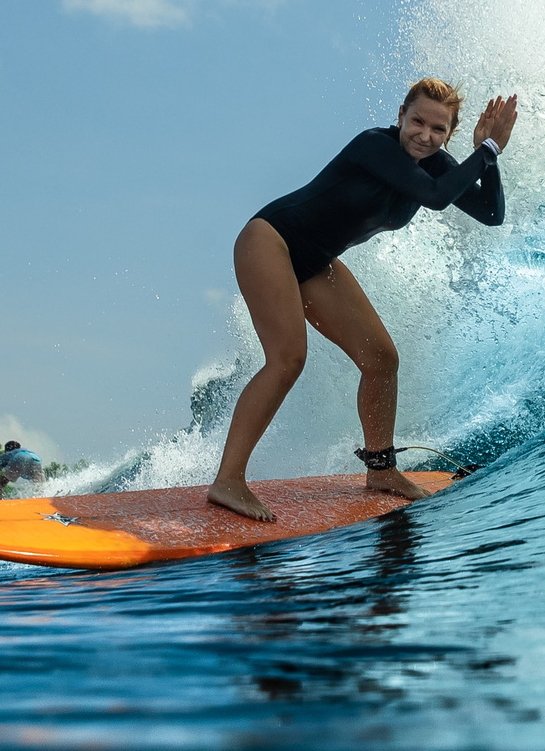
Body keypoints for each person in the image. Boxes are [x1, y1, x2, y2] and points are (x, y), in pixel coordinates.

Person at [208, 76, 517, 522]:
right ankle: (228, 481)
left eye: (438, 130)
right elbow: (433, 198)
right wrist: (485, 151)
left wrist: (487, 157)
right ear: (400, 116)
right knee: (288, 359)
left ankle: (382, 470)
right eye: (417, 122)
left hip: (316, 261)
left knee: (380, 358)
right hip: (271, 239)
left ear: (449, 134)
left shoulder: (437, 164)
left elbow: (490, 213)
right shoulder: (374, 145)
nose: (425, 136)